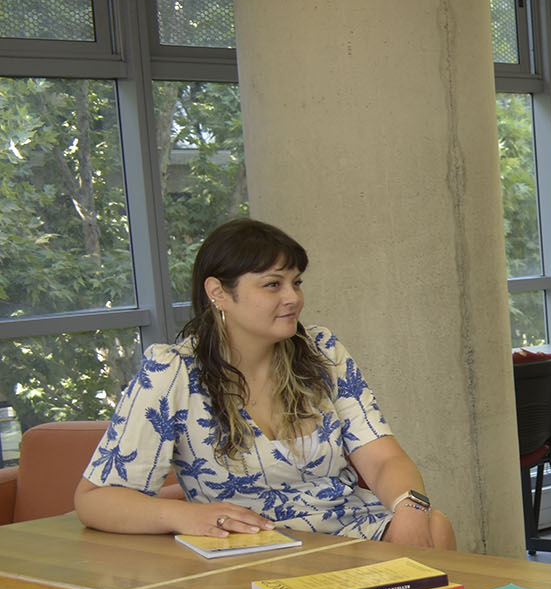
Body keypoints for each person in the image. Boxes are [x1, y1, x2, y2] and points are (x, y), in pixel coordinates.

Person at [74, 219, 454, 548]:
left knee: (434, 526)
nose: (293, 298)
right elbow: (95, 500)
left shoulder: (323, 352)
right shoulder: (173, 372)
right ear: (218, 292)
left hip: (348, 530)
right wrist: (182, 516)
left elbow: (384, 459)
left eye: (296, 282)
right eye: (273, 285)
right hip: (251, 546)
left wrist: (410, 507)